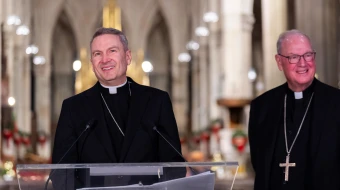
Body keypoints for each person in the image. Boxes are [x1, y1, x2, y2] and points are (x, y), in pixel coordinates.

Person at [51, 27, 184, 188]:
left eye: (112, 51)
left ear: (128, 57)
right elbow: (61, 172)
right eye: (97, 54)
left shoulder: (157, 101)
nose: (105, 59)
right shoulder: (73, 107)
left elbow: (174, 165)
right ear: (92, 63)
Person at [248, 29, 340, 190]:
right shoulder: (262, 107)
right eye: (293, 57)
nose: (303, 63)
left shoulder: (336, 102)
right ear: (279, 61)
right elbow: (259, 163)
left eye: (308, 55)